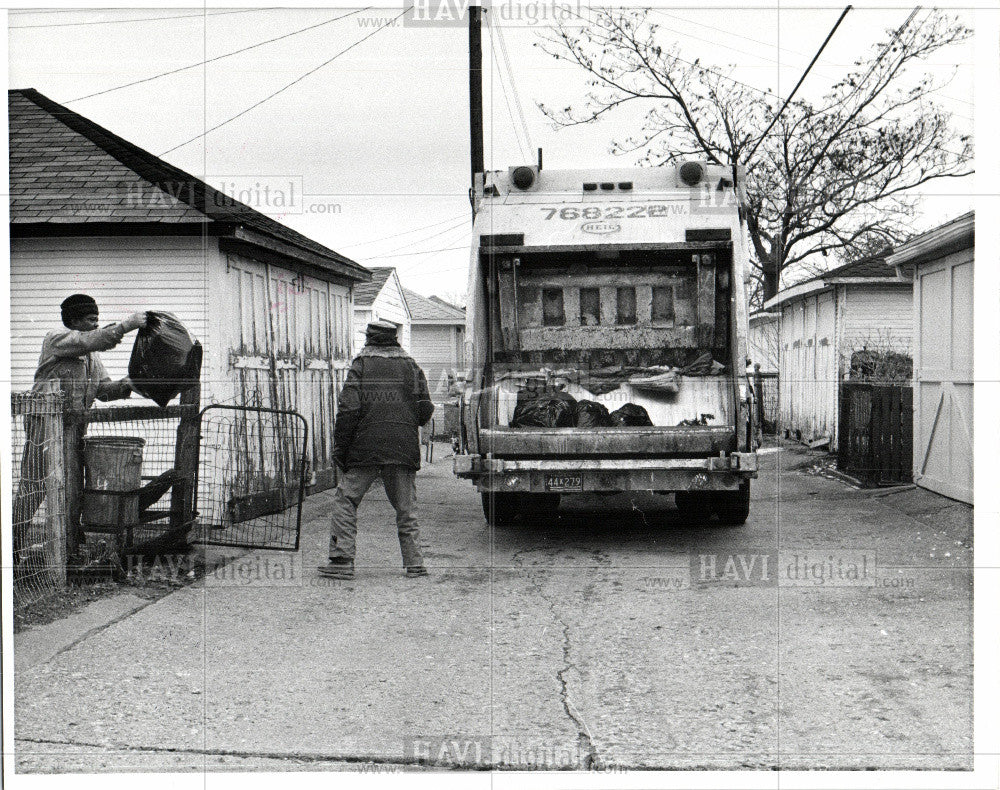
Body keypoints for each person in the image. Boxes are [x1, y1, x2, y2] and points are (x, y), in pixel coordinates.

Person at [13, 294, 147, 563]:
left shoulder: (90, 356)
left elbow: (103, 390)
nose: (95, 325)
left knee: (72, 487)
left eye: (98, 319)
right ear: (73, 321)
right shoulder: (58, 339)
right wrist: (126, 325)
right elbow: (90, 340)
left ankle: (68, 549)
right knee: (35, 488)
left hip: (74, 430)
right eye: (90, 319)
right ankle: (10, 546)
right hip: (44, 428)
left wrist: (129, 384)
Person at [319, 320, 434, 581]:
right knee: (406, 508)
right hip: (403, 447)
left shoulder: (361, 365)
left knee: (346, 500)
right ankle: (415, 563)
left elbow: (348, 410)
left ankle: (342, 561)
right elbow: (426, 409)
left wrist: (341, 448)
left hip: (365, 447)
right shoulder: (412, 367)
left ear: (369, 339)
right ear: (395, 340)